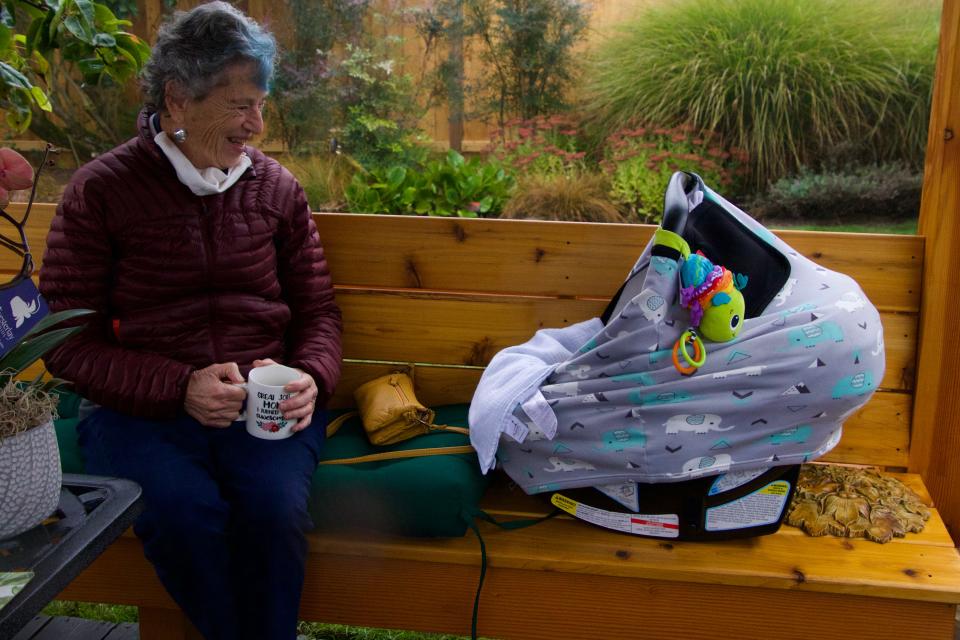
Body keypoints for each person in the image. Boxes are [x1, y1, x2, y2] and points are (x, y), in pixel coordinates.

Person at [38, 3, 342, 639]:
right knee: (181, 511)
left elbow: (317, 312)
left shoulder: (277, 189)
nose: (256, 126)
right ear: (176, 101)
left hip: (263, 405)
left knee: (271, 511)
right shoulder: (103, 191)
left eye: (260, 104)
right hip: (138, 412)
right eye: (239, 106)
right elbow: (66, 344)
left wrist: (311, 374)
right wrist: (178, 387)